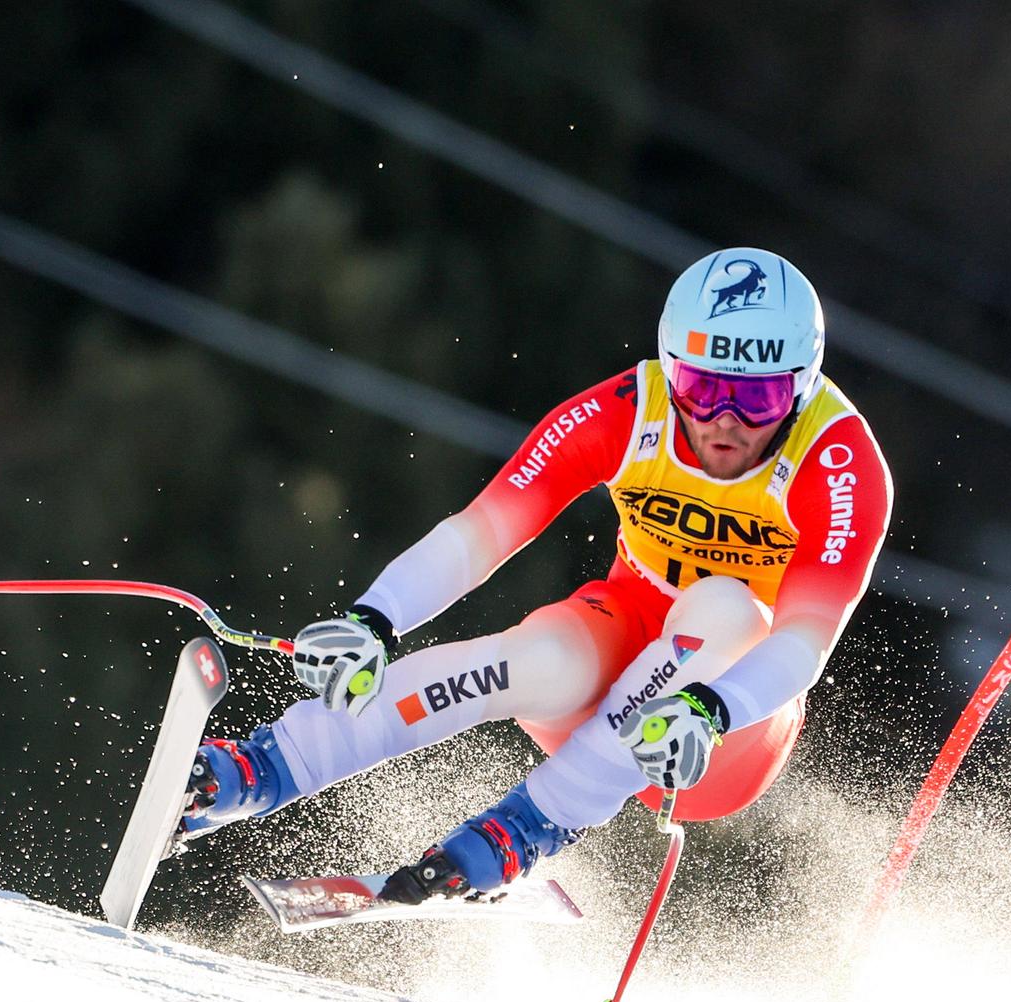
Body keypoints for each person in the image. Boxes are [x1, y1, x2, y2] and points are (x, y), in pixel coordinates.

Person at [180, 247, 892, 903]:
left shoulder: (838, 463)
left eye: (758, 399)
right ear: (671, 369)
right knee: (541, 656)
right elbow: (486, 528)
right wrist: (375, 616)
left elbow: (804, 640)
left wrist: (713, 708)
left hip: (726, 732)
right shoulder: (627, 410)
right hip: (610, 662)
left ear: (800, 390)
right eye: (703, 390)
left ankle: (521, 832)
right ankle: (263, 767)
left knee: (725, 608)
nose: (725, 424)